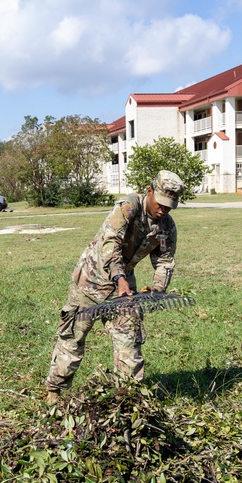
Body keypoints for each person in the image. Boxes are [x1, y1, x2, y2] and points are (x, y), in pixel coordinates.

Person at [45, 170, 185, 404]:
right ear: (150, 192)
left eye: (169, 206)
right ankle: (54, 392)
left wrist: (158, 287)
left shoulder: (166, 227)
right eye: (160, 203)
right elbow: (110, 242)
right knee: (73, 337)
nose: (163, 210)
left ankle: (127, 397)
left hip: (124, 288)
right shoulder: (129, 205)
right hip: (90, 279)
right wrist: (118, 277)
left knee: (129, 340)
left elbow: (164, 261)